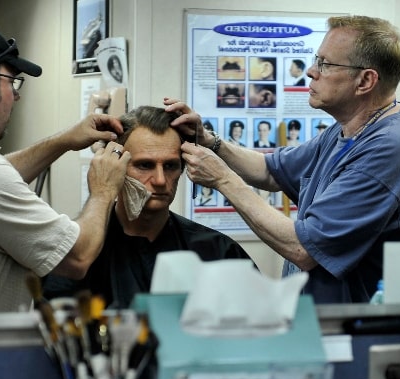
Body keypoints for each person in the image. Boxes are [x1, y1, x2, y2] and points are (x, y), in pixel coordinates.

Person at [165, 14, 400, 304]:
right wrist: (211, 140)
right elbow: (270, 172)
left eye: (326, 64)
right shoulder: (348, 131)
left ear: (365, 80)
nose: (311, 71)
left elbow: (304, 249)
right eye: (317, 60)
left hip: (369, 332)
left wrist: (223, 180)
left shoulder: (391, 148)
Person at [0, 22, 131, 315]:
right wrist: (103, 189)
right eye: (13, 81)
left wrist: (62, 141)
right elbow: (78, 257)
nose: (16, 95)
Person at [42, 105, 254, 310]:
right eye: (145, 165)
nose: (161, 180)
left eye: (170, 166)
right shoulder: (77, 258)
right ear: (116, 167)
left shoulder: (217, 252)